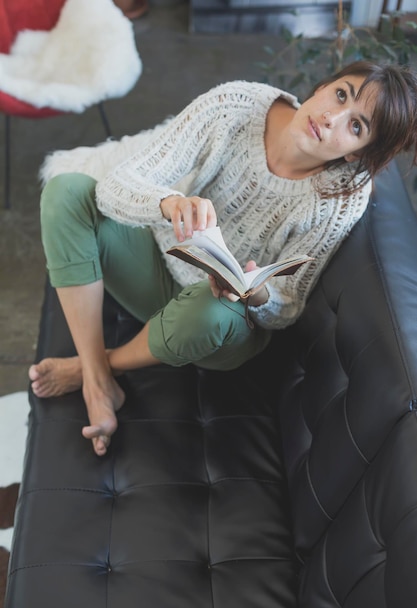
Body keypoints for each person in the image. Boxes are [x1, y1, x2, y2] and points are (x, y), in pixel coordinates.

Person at [29, 61, 417, 456]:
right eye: (340, 94)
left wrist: (256, 293)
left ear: (357, 154)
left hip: (216, 323)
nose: (333, 118)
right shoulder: (234, 106)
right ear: (323, 85)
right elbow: (116, 186)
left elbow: (288, 305)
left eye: (356, 127)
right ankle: (97, 380)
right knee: (67, 190)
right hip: (156, 263)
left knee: (212, 309)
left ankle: (101, 365)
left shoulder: (342, 198)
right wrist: (168, 202)